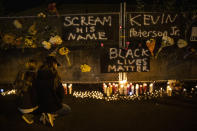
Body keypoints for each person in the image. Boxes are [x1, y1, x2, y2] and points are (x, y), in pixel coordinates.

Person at [35, 55, 71, 127]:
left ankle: (44, 113)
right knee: (67, 109)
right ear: (53, 64)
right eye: (56, 65)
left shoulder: (37, 74)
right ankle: (50, 114)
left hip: (40, 105)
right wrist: (59, 102)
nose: (57, 67)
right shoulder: (55, 77)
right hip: (52, 106)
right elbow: (61, 94)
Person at [14, 59, 38, 124]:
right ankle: (30, 115)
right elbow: (35, 94)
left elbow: (15, 86)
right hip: (30, 108)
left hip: (19, 107)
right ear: (36, 66)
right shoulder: (36, 76)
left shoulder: (21, 73)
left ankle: (27, 114)